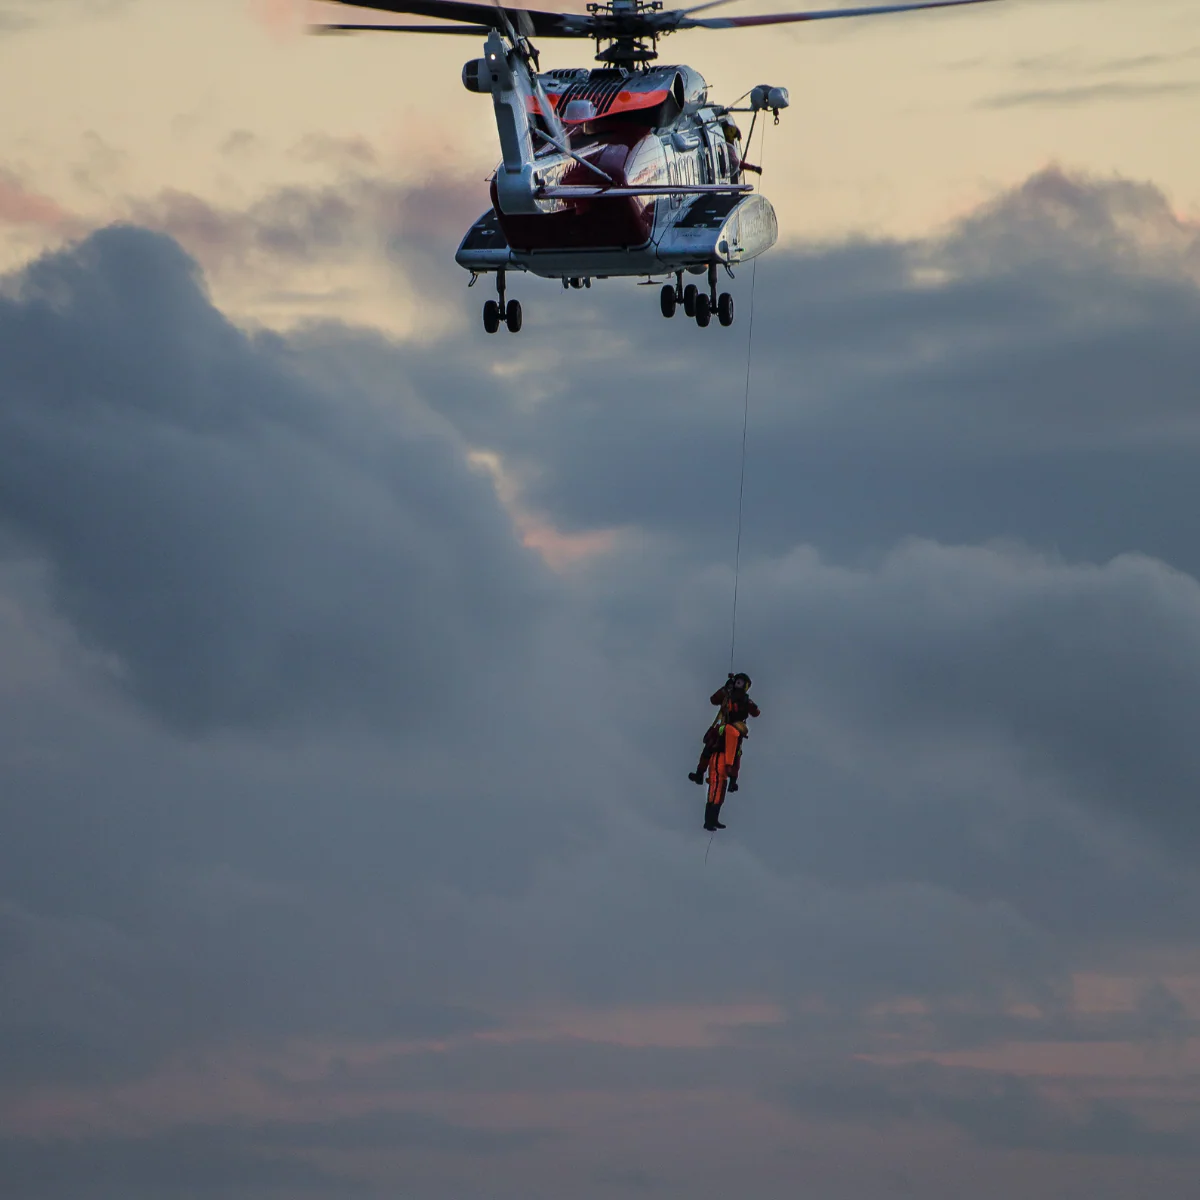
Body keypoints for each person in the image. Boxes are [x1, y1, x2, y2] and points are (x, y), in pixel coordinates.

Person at [689, 673, 759, 823]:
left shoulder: (746, 701)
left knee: (734, 759)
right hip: (722, 733)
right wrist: (724, 689)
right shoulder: (726, 695)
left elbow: (756, 712)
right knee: (710, 748)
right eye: (737, 682)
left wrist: (747, 704)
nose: (739, 685)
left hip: (732, 734)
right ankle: (699, 773)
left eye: (742, 683)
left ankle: (732, 781)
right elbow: (713, 700)